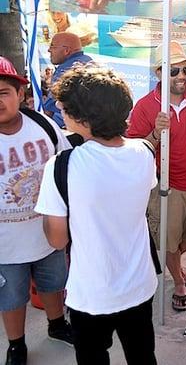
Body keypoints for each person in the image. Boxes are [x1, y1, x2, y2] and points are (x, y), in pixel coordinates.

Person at [35, 65, 158, 365]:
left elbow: (56, 238)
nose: (60, 112)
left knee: (92, 357)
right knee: (143, 357)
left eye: (64, 108)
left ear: (83, 118)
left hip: (92, 291)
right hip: (139, 284)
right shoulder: (144, 152)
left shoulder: (63, 165)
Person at [127, 40, 186, 311]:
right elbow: (133, 150)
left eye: (185, 70)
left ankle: (171, 262)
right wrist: (155, 133)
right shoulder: (145, 106)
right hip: (165, 185)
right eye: (173, 71)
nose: (181, 77)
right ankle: (178, 280)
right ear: (158, 73)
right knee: (168, 240)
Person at [0, 56, 73, 365]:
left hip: (48, 232)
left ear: (20, 94)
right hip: (6, 244)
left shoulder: (43, 125)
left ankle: (57, 326)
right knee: (12, 297)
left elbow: (67, 163)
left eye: (3, 92)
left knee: (54, 284)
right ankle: (16, 345)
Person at [45, 32, 92, 128]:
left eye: (52, 46)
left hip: (66, 127)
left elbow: (49, 109)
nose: (49, 50)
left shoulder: (65, 70)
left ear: (66, 51)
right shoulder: (89, 61)